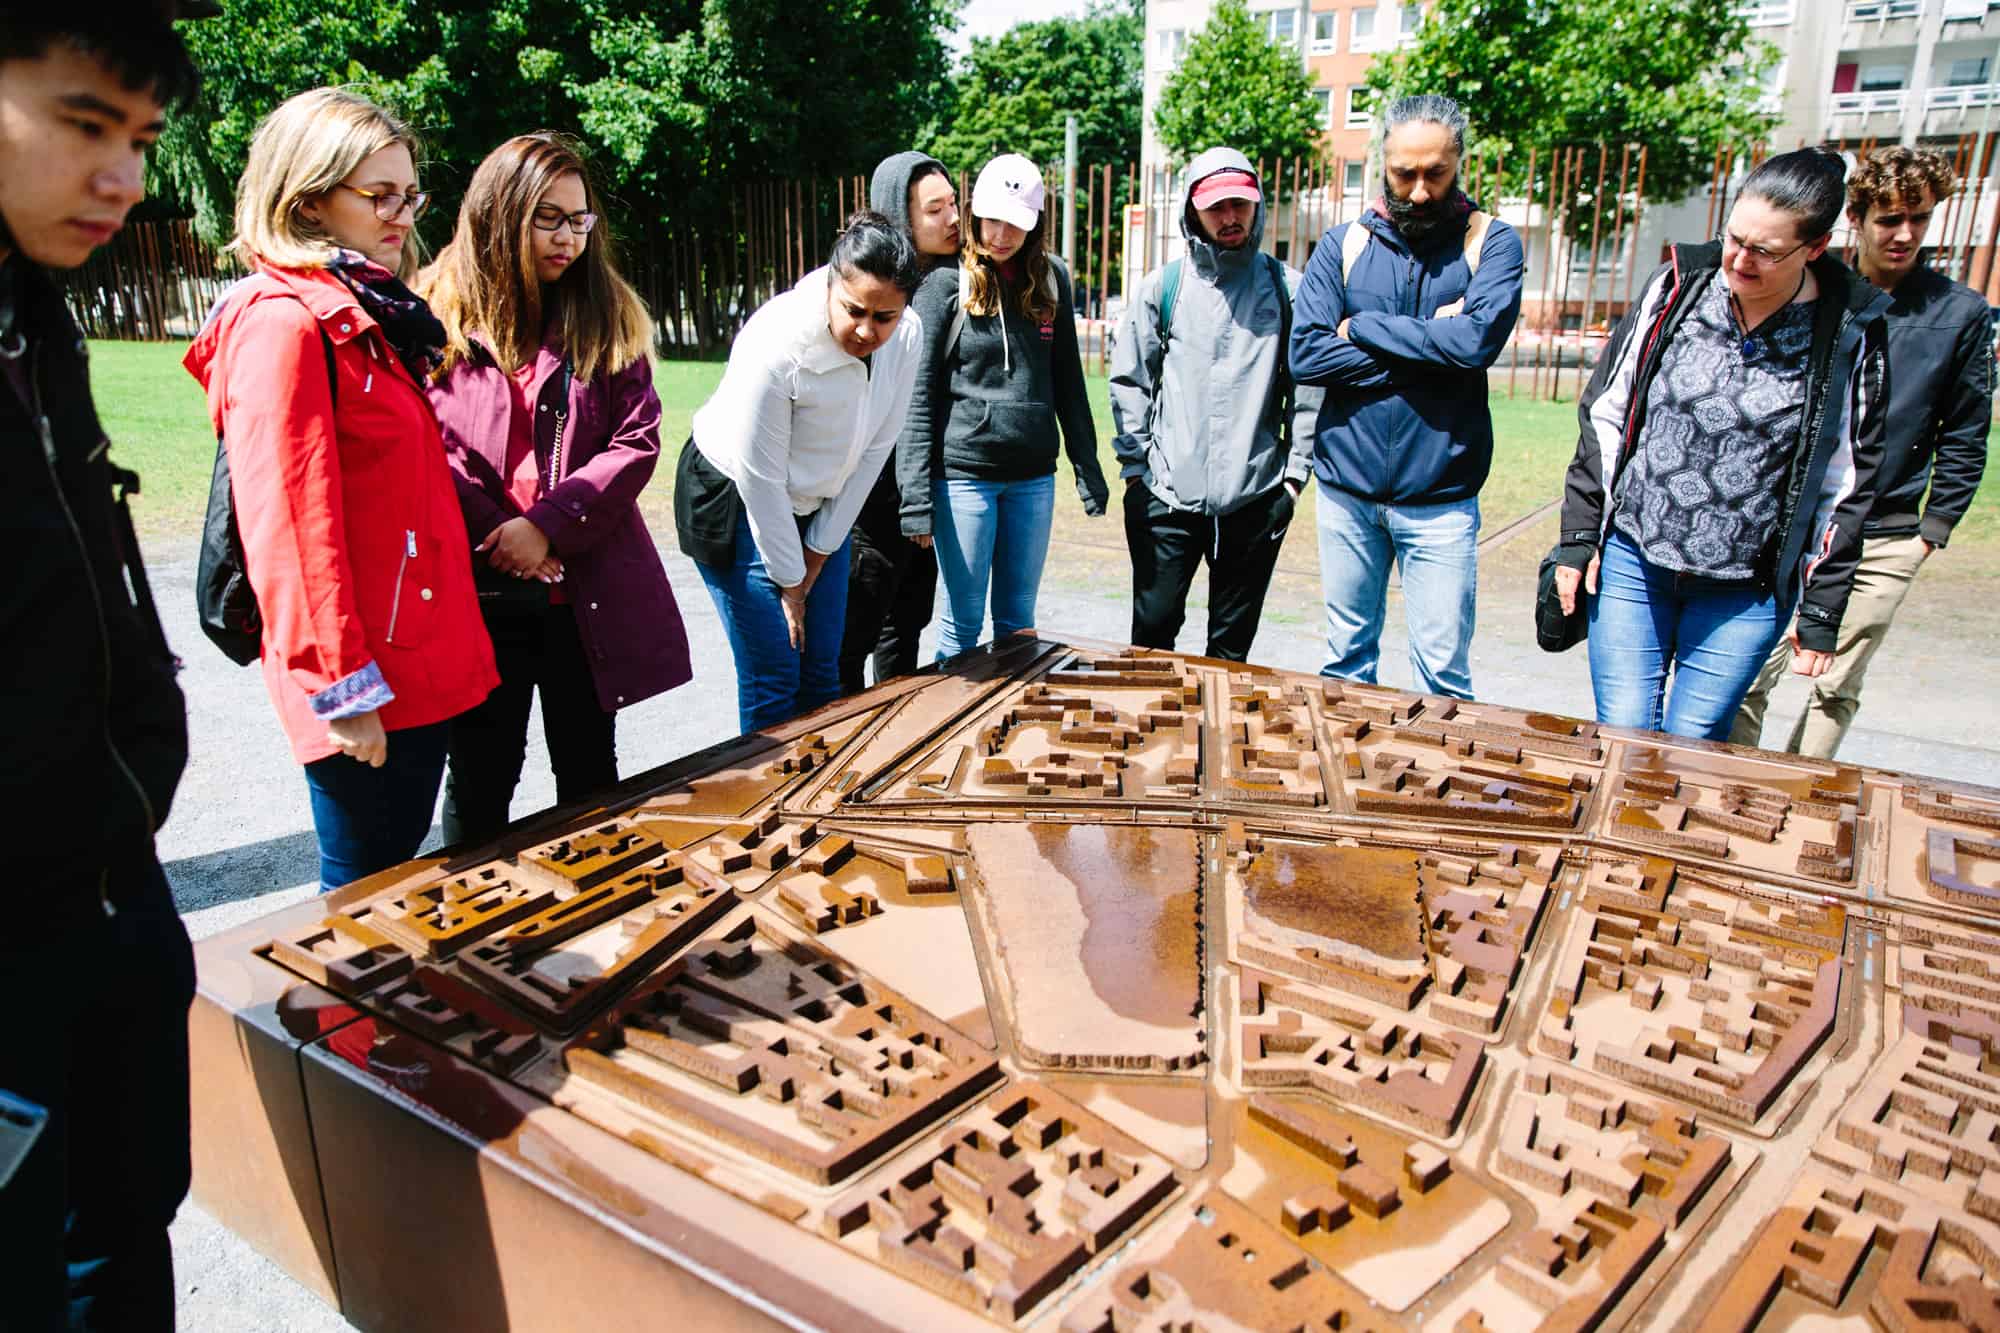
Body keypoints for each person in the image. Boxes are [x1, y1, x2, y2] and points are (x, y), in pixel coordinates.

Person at [0, 10, 202, 1326]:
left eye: (140, 138)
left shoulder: (38, 316)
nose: (125, 179)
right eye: (84, 124)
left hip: (116, 888)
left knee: (128, 1229)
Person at [184, 88, 498, 887]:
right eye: (378, 194)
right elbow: (288, 527)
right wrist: (342, 687)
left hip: (405, 652)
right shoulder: (284, 321)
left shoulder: (364, 305)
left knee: (393, 886)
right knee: (360, 902)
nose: (401, 214)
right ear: (308, 200)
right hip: (367, 675)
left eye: (409, 194)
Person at [1553, 148, 1889, 741]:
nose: (1739, 258)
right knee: (1624, 731)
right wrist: (1579, 539)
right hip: (1635, 560)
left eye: (1764, 250)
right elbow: (1605, 413)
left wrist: (1820, 605)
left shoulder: (1847, 330)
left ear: (1815, 247)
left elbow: (1847, 482)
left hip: (1744, 590)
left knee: (1694, 742)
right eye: (1734, 238)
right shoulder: (1676, 288)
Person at [421, 133, 692, 846]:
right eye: (548, 218)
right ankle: (471, 912)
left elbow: (636, 441)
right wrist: (502, 534)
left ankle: (603, 907)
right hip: (482, 591)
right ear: (499, 213)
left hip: (580, 589)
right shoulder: (433, 312)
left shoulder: (609, 313)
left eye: (579, 219)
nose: (568, 238)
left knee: (589, 773)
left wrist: (546, 525)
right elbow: (426, 446)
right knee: (480, 775)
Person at [1731, 146, 1992, 757]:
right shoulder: (1814, 291)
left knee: (1836, 688)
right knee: (1748, 677)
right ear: (1855, 218)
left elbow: (1965, 431)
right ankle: (1735, 786)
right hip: (1798, 524)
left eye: (1919, 218)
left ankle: (1806, 793)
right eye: (1889, 218)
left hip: (1887, 534)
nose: (1905, 234)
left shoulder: (1960, 313)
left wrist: (1932, 530)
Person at [1289, 93, 1525, 699]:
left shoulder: (1493, 244)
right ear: (1382, 165)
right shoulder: (1342, 245)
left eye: (1435, 173)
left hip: (1441, 500)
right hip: (1347, 493)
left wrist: (1362, 327)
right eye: (1404, 174)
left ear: (1459, 163)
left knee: (1443, 679)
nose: (1419, 191)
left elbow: (1473, 345)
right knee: (1345, 667)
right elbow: (1307, 355)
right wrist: (1432, 348)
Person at [674, 213, 923, 732]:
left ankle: (819, 785)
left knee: (822, 673)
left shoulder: (908, 335)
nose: (867, 330)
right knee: (775, 674)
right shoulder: (776, 342)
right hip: (737, 496)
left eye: (885, 317)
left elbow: (875, 449)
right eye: (854, 310)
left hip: (818, 496)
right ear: (831, 284)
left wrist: (819, 551)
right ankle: (769, 786)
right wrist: (792, 582)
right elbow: (761, 480)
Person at [1109, 148, 1321, 661]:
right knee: (1152, 638)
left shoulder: (1288, 289)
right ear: (1193, 210)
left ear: (1257, 205)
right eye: (1216, 207)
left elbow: (1309, 388)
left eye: (1240, 205)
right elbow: (1131, 380)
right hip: (1166, 495)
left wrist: (1293, 480)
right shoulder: (1165, 288)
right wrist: (1137, 473)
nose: (1230, 218)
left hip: (1255, 497)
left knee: (1230, 652)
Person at [898, 152, 1109, 662]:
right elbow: (918, 394)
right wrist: (916, 498)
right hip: (964, 478)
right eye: (991, 219)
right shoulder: (946, 282)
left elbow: (1069, 384)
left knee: (1018, 623)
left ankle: (1011, 713)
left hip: (1034, 479)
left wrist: (1087, 470)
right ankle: (957, 712)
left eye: (1015, 222)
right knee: (963, 624)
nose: (1000, 234)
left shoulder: (1053, 279)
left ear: (1035, 222)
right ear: (975, 213)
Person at [837, 151, 960, 692]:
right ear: (899, 215)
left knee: (907, 621)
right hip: (869, 491)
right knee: (854, 633)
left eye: (954, 204)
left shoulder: (954, 282)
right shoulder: (864, 297)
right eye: (935, 210)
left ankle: (895, 728)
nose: (953, 219)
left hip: (922, 488)